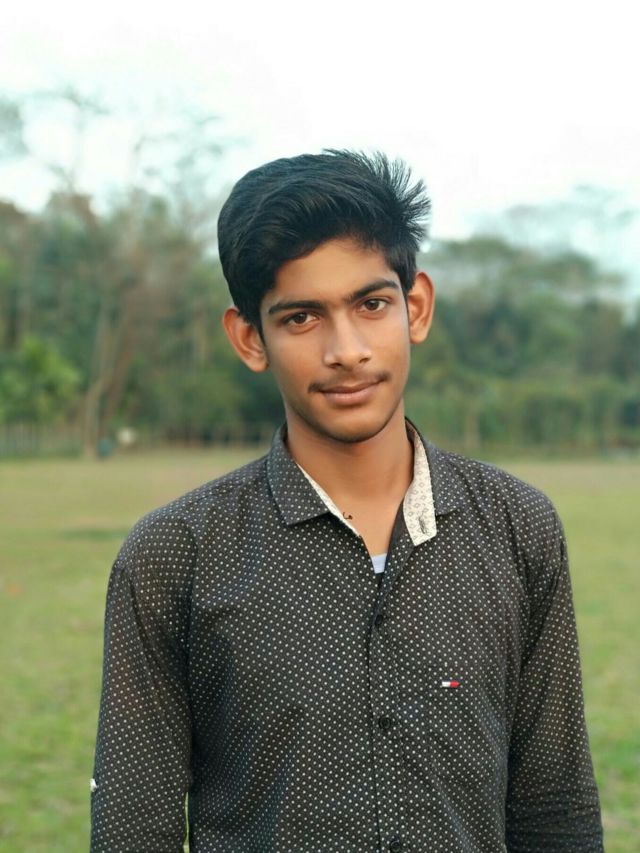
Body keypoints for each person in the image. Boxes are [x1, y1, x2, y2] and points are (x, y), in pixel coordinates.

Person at [90, 150, 603, 852]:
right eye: (302, 317)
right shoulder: (175, 557)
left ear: (415, 307)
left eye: (371, 304)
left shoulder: (519, 527)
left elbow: (555, 806)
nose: (347, 350)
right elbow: (132, 829)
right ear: (250, 338)